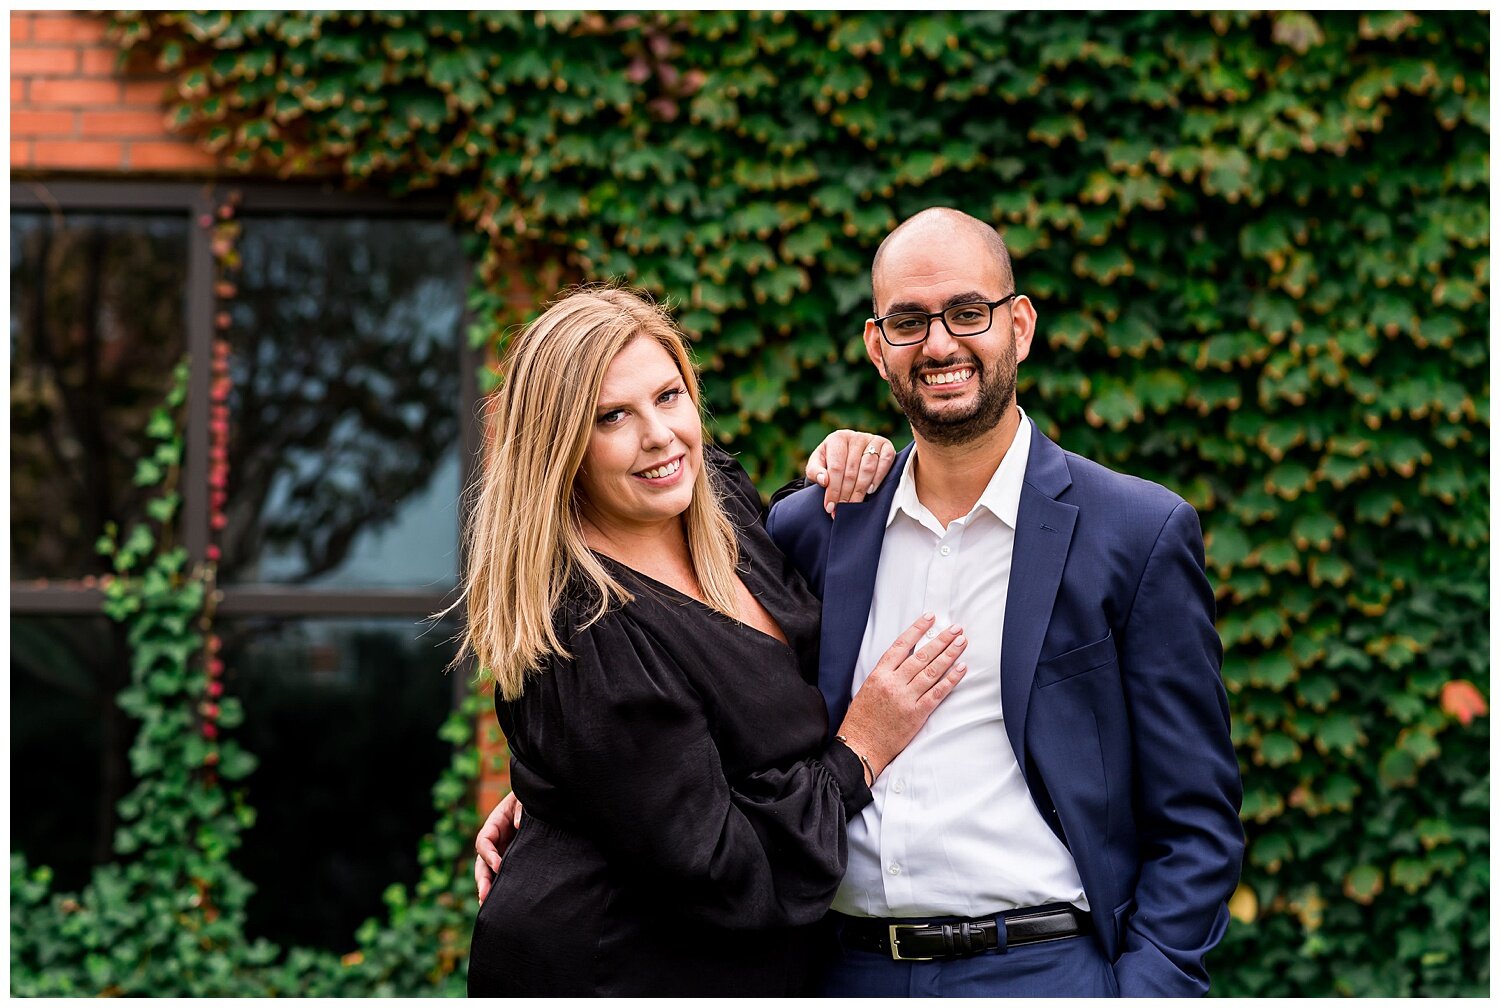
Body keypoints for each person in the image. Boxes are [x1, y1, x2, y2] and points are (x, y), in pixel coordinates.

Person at [479, 209, 1244, 997]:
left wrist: (1149, 991)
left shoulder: (1135, 532)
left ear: (1020, 325)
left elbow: (1196, 817)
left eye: (968, 313)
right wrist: (564, 788)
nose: (941, 344)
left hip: (1040, 967)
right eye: (910, 321)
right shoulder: (819, 530)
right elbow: (640, 713)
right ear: (878, 349)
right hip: (837, 969)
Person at [459, 284, 970, 996]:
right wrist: (863, 748)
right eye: (613, 417)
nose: (660, 435)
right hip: (619, 969)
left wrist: (849, 466)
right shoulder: (589, 634)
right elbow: (730, 869)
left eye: (669, 397)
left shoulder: (715, 499)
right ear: (561, 449)